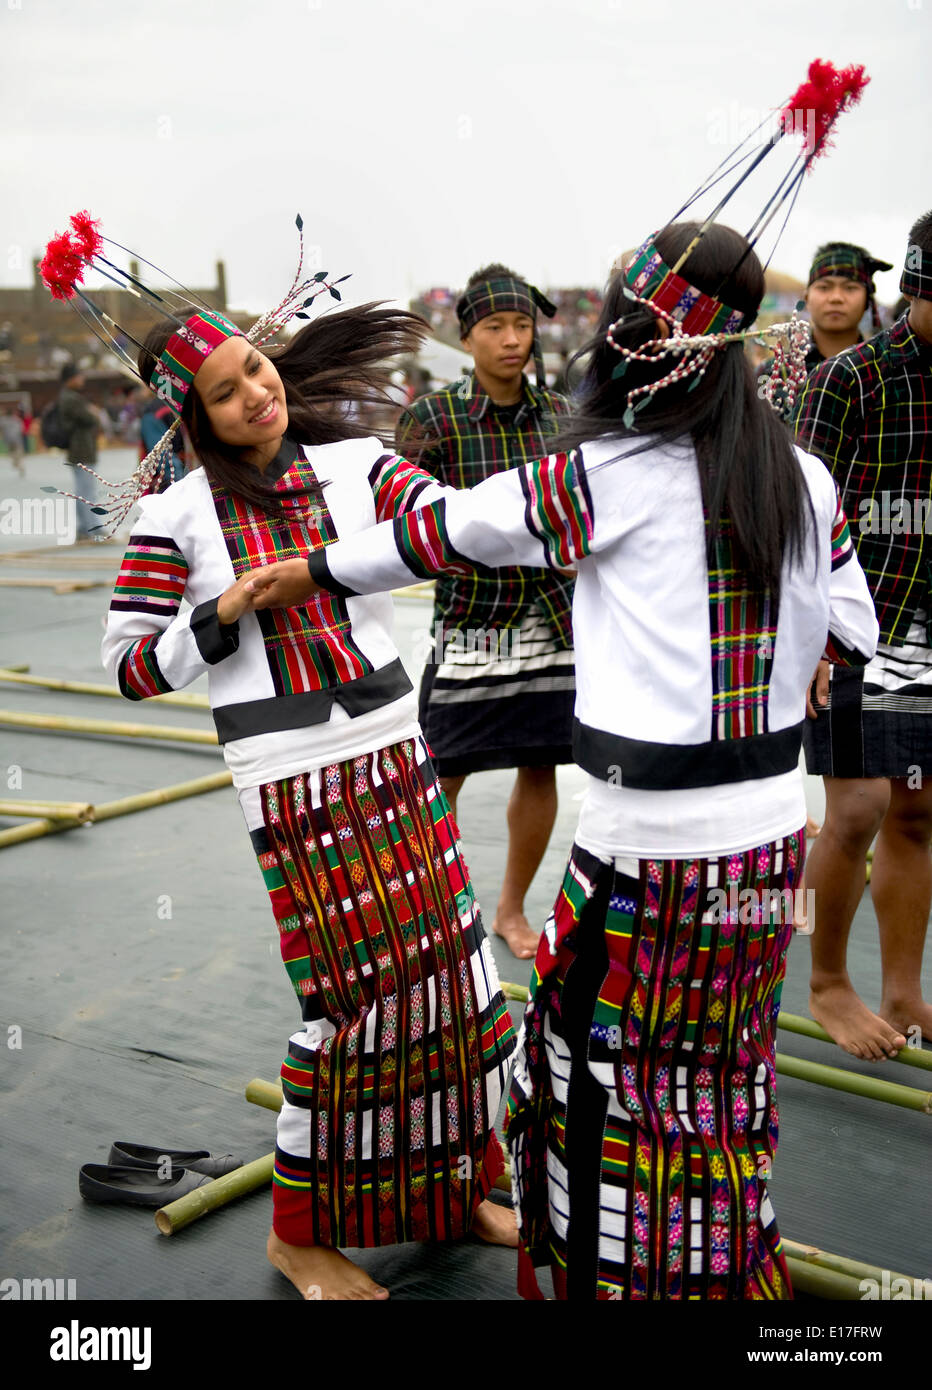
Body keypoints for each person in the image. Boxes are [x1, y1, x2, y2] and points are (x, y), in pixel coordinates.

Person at [244, 220, 879, 1300]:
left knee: (597, 1086)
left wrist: (307, 566)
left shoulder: (603, 475)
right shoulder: (803, 478)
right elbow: (853, 627)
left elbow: (437, 535)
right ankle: (731, 1270)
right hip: (774, 854)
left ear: (633, 350)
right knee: (722, 1074)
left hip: (647, 861)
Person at [99, 297, 517, 1299]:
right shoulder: (175, 518)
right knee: (355, 1004)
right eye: (224, 392)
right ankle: (295, 1234)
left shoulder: (354, 463)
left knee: (454, 975)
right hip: (292, 783)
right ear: (191, 419)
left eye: (255, 368)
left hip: (393, 750)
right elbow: (127, 671)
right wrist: (218, 615)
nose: (255, 395)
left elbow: (448, 525)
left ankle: (463, 1184)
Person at [396, 264, 572, 960]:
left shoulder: (561, 415)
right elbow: (403, 520)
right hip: (471, 620)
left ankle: (509, 909)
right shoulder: (431, 420)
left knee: (541, 765)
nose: (511, 339)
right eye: (495, 327)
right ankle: (427, 913)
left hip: (554, 617)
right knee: (437, 772)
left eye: (522, 325)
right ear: (466, 337)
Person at [793, 209, 932, 1061]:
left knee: (919, 812)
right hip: (855, 619)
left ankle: (906, 986)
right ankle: (827, 982)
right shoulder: (850, 381)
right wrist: (805, 636)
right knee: (858, 809)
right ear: (917, 288)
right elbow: (802, 515)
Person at [58, 363, 101, 538]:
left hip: (79, 449)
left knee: (83, 490)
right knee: (86, 491)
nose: (82, 379)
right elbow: (91, 419)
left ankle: (86, 526)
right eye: (79, 376)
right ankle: (90, 528)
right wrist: (93, 412)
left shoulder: (68, 397)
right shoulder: (71, 398)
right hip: (81, 449)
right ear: (71, 379)